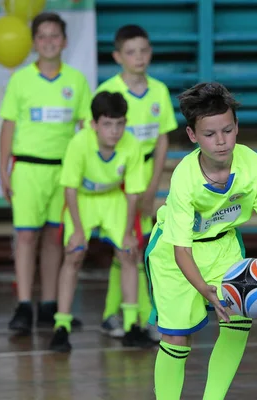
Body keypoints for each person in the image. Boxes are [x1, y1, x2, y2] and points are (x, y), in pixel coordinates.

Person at [145, 82, 257, 400]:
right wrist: (204, 290)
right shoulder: (185, 177)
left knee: (239, 319)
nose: (221, 141)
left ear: (236, 127)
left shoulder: (256, 167)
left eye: (227, 130)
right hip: (174, 253)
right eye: (210, 134)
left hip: (224, 245)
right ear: (192, 136)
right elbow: (181, 250)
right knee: (176, 339)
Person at [0, 12, 91, 334]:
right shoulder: (20, 80)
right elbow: (8, 125)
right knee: (25, 236)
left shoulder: (76, 81)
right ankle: (24, 305)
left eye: (55, 36)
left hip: (63, 173)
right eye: (42, 36)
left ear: (64, 42)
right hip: (27, 168)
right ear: (34, 42)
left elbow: (85, 128)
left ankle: (50, 305)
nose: (49, 41)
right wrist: (3, 168)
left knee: (55, 238)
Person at [92, 24, 177, 341]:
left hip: (145, 176)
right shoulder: (108, 90)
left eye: (144, 50)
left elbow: (162, 140)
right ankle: (141, 316)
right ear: (117, 56)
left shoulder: (159, 91)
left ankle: (117, 314)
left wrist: (153, 183)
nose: (139, 57)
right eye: (131, 52)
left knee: (135, 248)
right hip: (118, 179)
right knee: (126, 248)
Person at [49, 91, 152, 352]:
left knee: (129, 253)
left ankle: (131, 325)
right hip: (82, 200)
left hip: (114, 198)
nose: (114, 131)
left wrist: (129, 232)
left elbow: (132, 193)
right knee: (74, 254)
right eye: (107, 124)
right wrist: (78, 231)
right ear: (93, 124)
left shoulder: (132, 145)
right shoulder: (79, 143)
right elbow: (70, 189)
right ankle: (61, 326)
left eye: (119, 124)